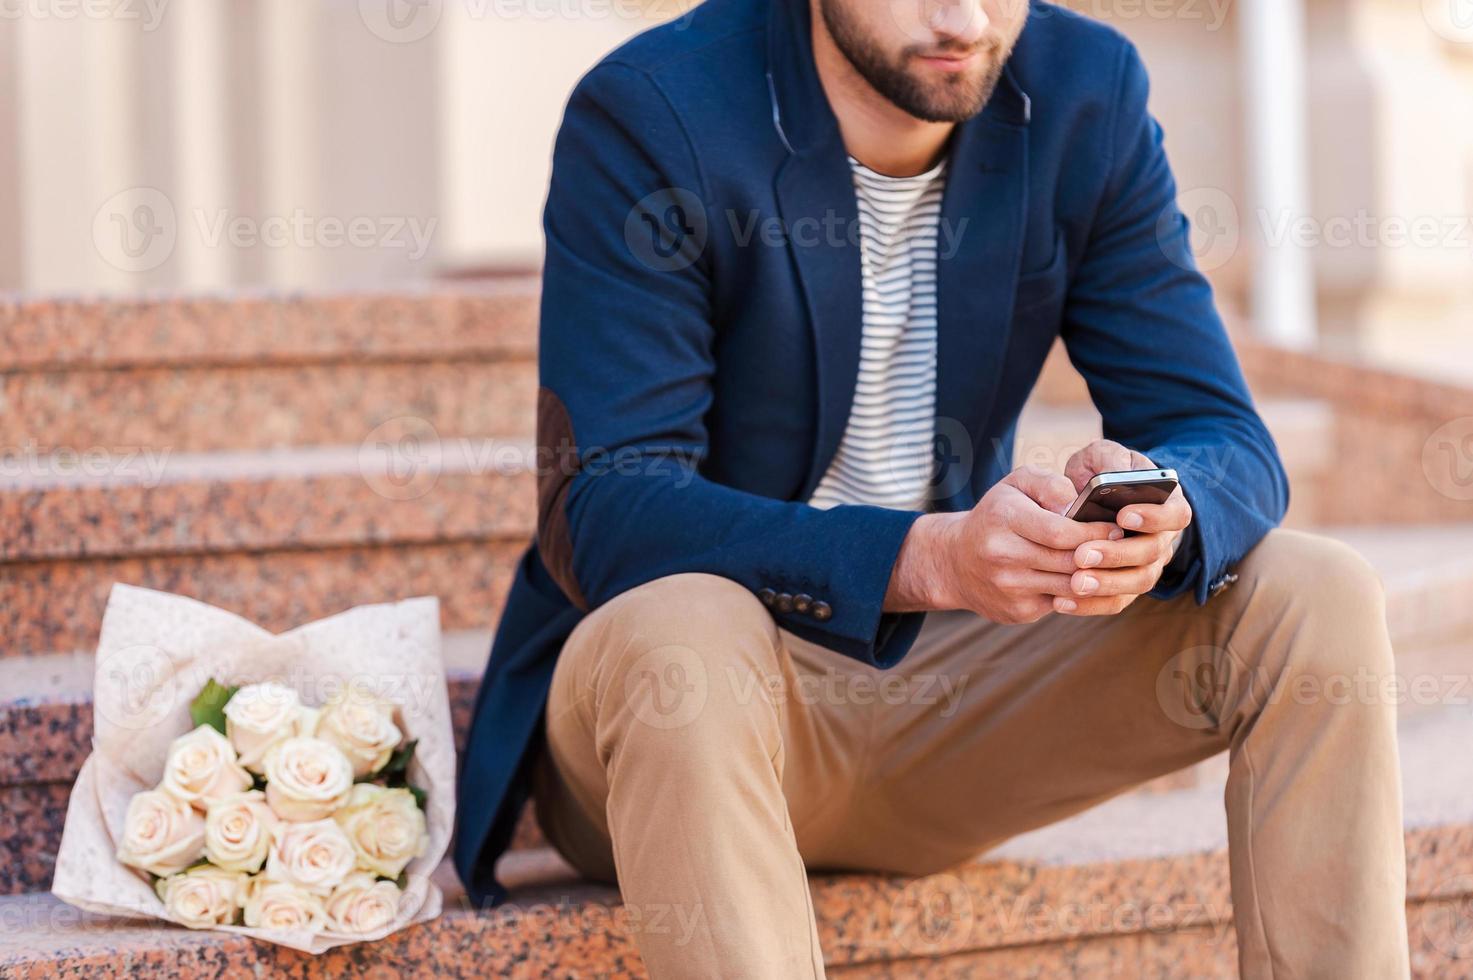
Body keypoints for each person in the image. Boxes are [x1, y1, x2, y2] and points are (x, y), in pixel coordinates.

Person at [454, 0, 1409, 975]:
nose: (963, 17)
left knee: (1314, 594)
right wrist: (929, 557)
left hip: (947, 702)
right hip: (686, 718)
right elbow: (609, 508)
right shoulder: (657, 109)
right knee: (686, 630)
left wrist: (1165, 506)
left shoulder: (1084, 92)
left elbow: (1226, 436)